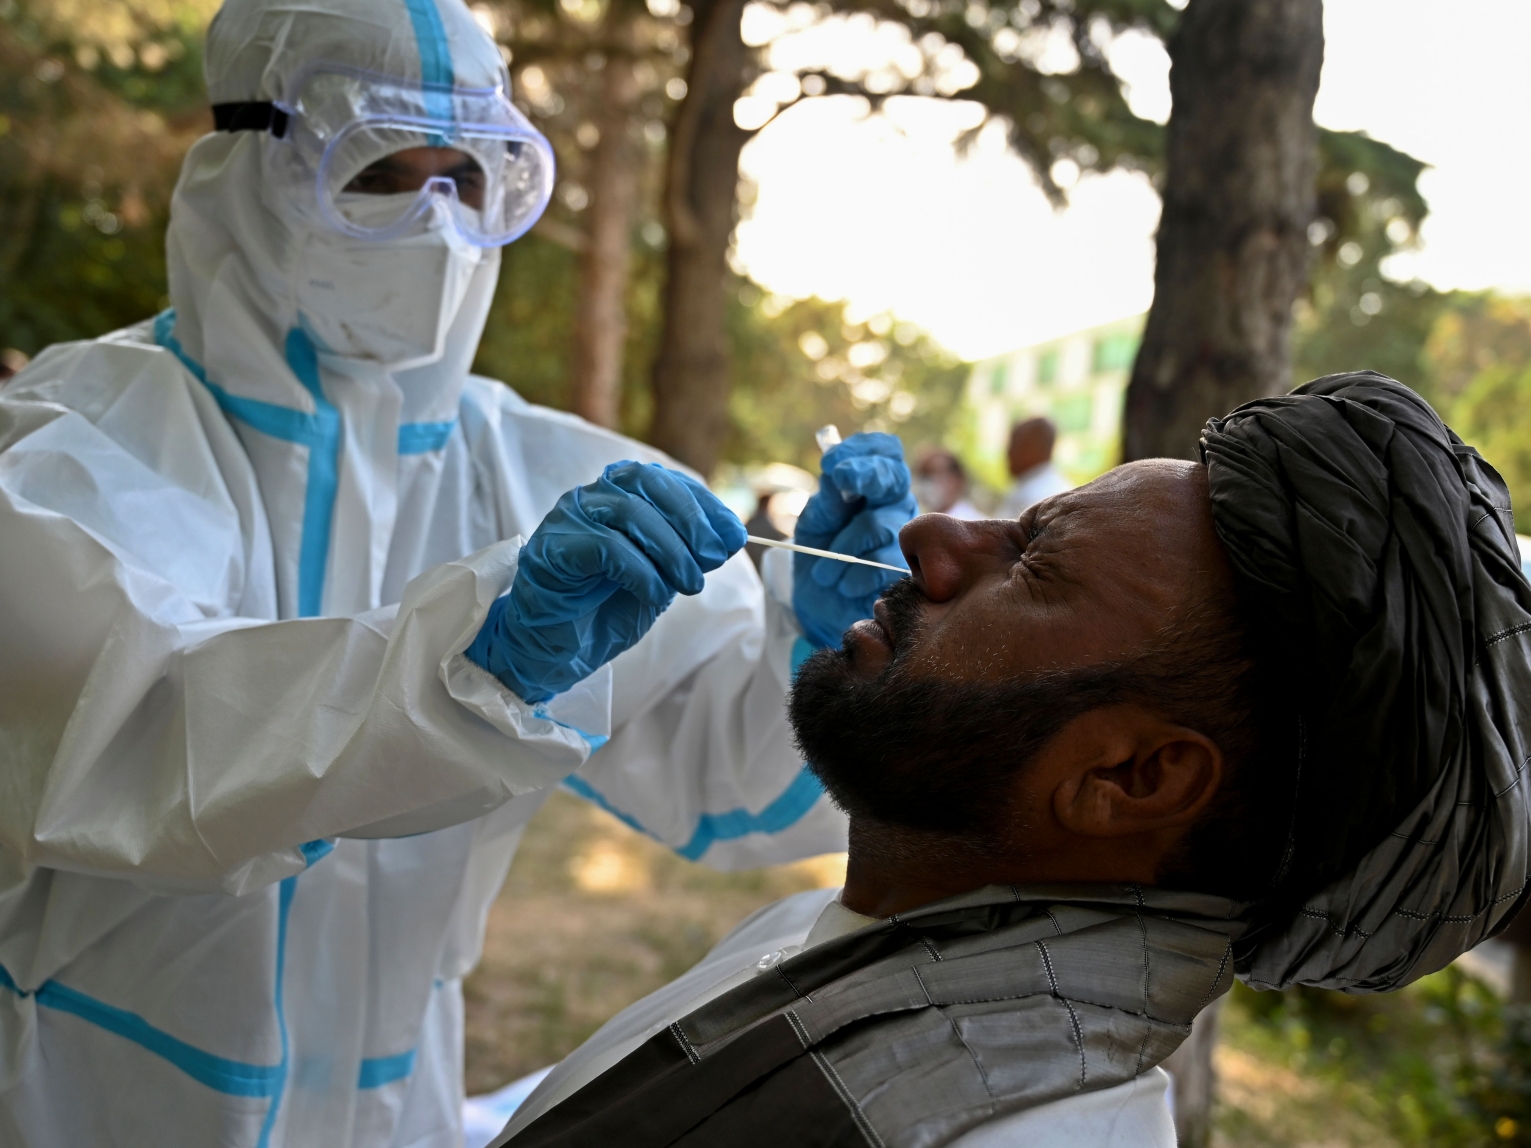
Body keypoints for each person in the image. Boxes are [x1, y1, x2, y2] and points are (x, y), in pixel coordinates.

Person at [0, 1, 916, 1143]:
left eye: (471, 178)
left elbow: (718, 767)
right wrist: (461, 665)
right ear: (248, 166)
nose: (436, 225)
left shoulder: (531, 470)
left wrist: (813, 649)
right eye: (382, 170)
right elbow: (128, 733)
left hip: (397, 1111)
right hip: (101, 1102)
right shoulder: (84, 436)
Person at [487, 374, 1531, 1148]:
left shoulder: (1006, 1124)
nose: (931, 538)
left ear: (1131, 779)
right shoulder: (890, 950)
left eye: (1033, 560)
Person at [997, 415, 1070, 518]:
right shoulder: (1062, 489)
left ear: (1031, 449)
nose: (1008, 453)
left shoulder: (1029, 497)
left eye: (1014, 444)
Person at [913, 447, 983, 520]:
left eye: (937, 474)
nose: (928, 484)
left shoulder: (971, 524)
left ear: (957, 479)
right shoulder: (921, 523)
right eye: (925, 476)